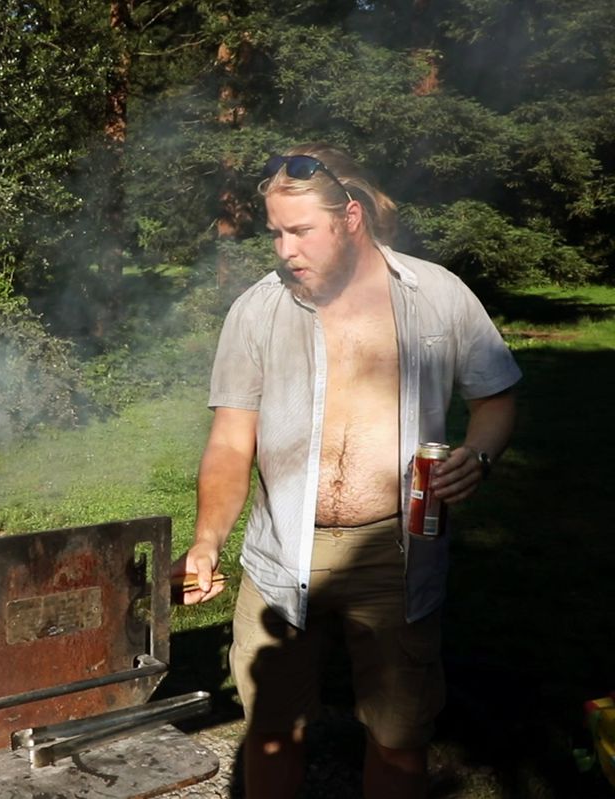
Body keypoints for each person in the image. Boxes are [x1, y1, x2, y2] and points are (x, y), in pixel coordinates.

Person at [173, 144, 520, 798]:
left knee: (399, 733)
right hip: (279, 555)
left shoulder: (436, 296)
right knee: (271, 729)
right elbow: (228, 442)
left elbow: (495, 398)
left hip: (397, 552)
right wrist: (207, 540)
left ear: (351, 218)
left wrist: (477, 455)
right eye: (275, 231)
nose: (284, 249)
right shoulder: (258, 309)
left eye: (300, 230)